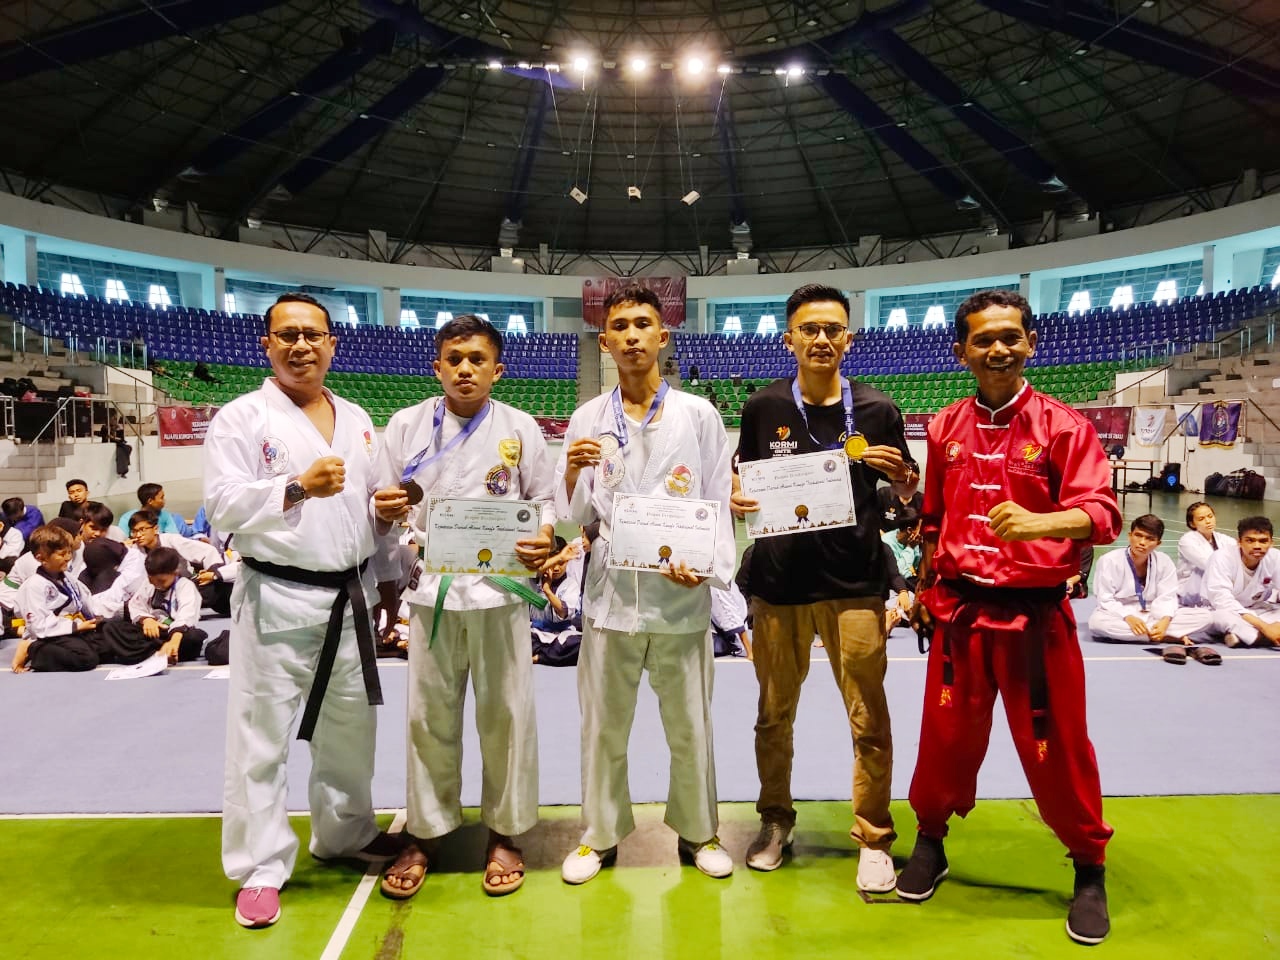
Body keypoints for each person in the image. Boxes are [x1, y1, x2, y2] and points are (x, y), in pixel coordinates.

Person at [898, 289, 1121, 946]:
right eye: (982, 338)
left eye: (1009, 336)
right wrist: (923, 585)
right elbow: (933, 518)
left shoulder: (1064, 428)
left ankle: (1088, 864)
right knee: (944, 742)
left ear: (1030, 343)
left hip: (1035, 622)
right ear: (961, 350)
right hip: (960, 615)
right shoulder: (943, 427)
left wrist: (1042, 521)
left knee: (1056, 749)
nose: (997, 348)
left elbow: (1102, 514)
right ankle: (931, 842)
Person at [203, 292, 400, 930]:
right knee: (261, 738)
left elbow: (362, 510)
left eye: (313, 334)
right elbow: (224, 507)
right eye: (286, 334)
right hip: (275, 596)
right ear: (267, 344)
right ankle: (260, 867)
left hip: (351, 594)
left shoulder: (360, 418)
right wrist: (295, 485)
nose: (300, 345)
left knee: (350, 730)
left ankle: (343, 834)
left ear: (332, 344)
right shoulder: (241, 417)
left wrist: (385, 520)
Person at [729, 283, 915, 891]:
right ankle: (775, 821)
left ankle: (873, 836)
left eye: (833, 329)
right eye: (809, 329)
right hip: (778, 586)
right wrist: (735, 500)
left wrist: (905, 485)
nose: (821, 339)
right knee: (773, 717)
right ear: (790, 338)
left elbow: (903, 496)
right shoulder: (762, 408)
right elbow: (744, 483)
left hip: (855, 586)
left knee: (869, 719)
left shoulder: (879, 410)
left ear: (848, 338)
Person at [556, 282, 736, 884]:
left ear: (663, 336)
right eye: (620, 327)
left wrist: (708, 568)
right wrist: (571, 472)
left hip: (680, 595)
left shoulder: (699, 415)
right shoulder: (586, 417)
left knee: (690, 726)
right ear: (604, 342)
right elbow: (574, 515)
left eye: (643, 324)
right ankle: (599, 834)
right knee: (604, 726)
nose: (631, 336)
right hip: (610, 596)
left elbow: (715, 501)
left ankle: (699, 831)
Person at [374, 314, 555, 900]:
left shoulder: (521, 427)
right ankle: (426, 830)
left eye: (477, 359)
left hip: (502, 594)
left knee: (505, 716)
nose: (465, 369)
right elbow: (381, 503)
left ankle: (504, 832)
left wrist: (544, 536)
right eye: (454, 359)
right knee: (429, 717)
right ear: (437, 366)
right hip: (433, 592)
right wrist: (386, 511)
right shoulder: (405, 425)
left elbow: (545, 500)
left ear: (497, 369)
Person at [9, 524, 155, 673]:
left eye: (69, 552)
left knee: (113, 633)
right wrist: (76, 627)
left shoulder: (69, 579)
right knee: (86, 659)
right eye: (61, 554)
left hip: (76, 631)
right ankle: (34, 650)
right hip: (49, 636)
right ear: (41, 558)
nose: (67, 557)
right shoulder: (34, 585)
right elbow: (38, 625)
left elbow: (90, 605)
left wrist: (123, 611)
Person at [1086, 515, 1214, 657]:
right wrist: (1127, 617)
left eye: (1150, 539)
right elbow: (1105, 599)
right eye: (1138, 535)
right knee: (1097, 624)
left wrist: (1165, 621)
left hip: (1154, 614)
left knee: (1206, 617)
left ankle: (1154, 633)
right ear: (1130, 535)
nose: (1142, 542)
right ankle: (1166, 636)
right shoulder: (1109, 560)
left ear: (1158, 543)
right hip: (1120, 614)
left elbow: (1168, 597)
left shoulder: (1164, 562)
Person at [121, 546, 209, 663]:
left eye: (162, 581)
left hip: (177, 633)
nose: (157, 585)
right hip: (155, 632)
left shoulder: (185, 586)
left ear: (175, 573)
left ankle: (162, 651)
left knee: (192, 638)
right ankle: (160, 652)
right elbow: (135, 606)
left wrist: (173, 641)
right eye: (152, 580)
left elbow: (186, 616)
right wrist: (146, 619)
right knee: (113, 628)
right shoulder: (148, 583)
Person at [1203, 515, 1280, 648]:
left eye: (1263, 541)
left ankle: (1243, 636)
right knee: (1220, 618)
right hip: (1221, 609)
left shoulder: (1275, 557)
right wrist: (1265, 627)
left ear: (1271, 543)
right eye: (1250, 541)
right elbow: (1222, 600)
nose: (1257, 546)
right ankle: (1260, 636)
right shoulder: (1222, 558)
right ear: (1239, 542)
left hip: (1257, 609)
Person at [1176, 501, 1235, 606]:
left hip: (1217, 584)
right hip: (1191, 588)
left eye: (1210, 516)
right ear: (1192, 523)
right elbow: (1208, 564)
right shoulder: (1187, 540)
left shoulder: (1224, 539)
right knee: (1206, 568)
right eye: (1201, 519)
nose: (1208, 521)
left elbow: (1240, 555)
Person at [120, 483, 195, 538]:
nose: (164, 501)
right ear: (150, 501)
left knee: (177, 519)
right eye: (161, 498)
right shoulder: (126, 518)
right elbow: (122, 541)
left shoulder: (165, 516)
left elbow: (174, 538)